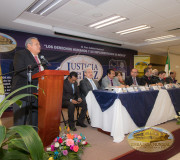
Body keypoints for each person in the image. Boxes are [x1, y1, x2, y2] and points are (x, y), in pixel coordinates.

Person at [11, 37, 47, 128]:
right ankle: (18, 141)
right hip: (22, 93)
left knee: (33, 121)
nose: (39, 46)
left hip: (36, 93)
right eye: (37, 44)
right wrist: (39, 76)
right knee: (20, 122)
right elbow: (20, 70)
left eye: (39, 44)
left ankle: (32, 140)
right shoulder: (21, 54)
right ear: (29, 46)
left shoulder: (39, 59)